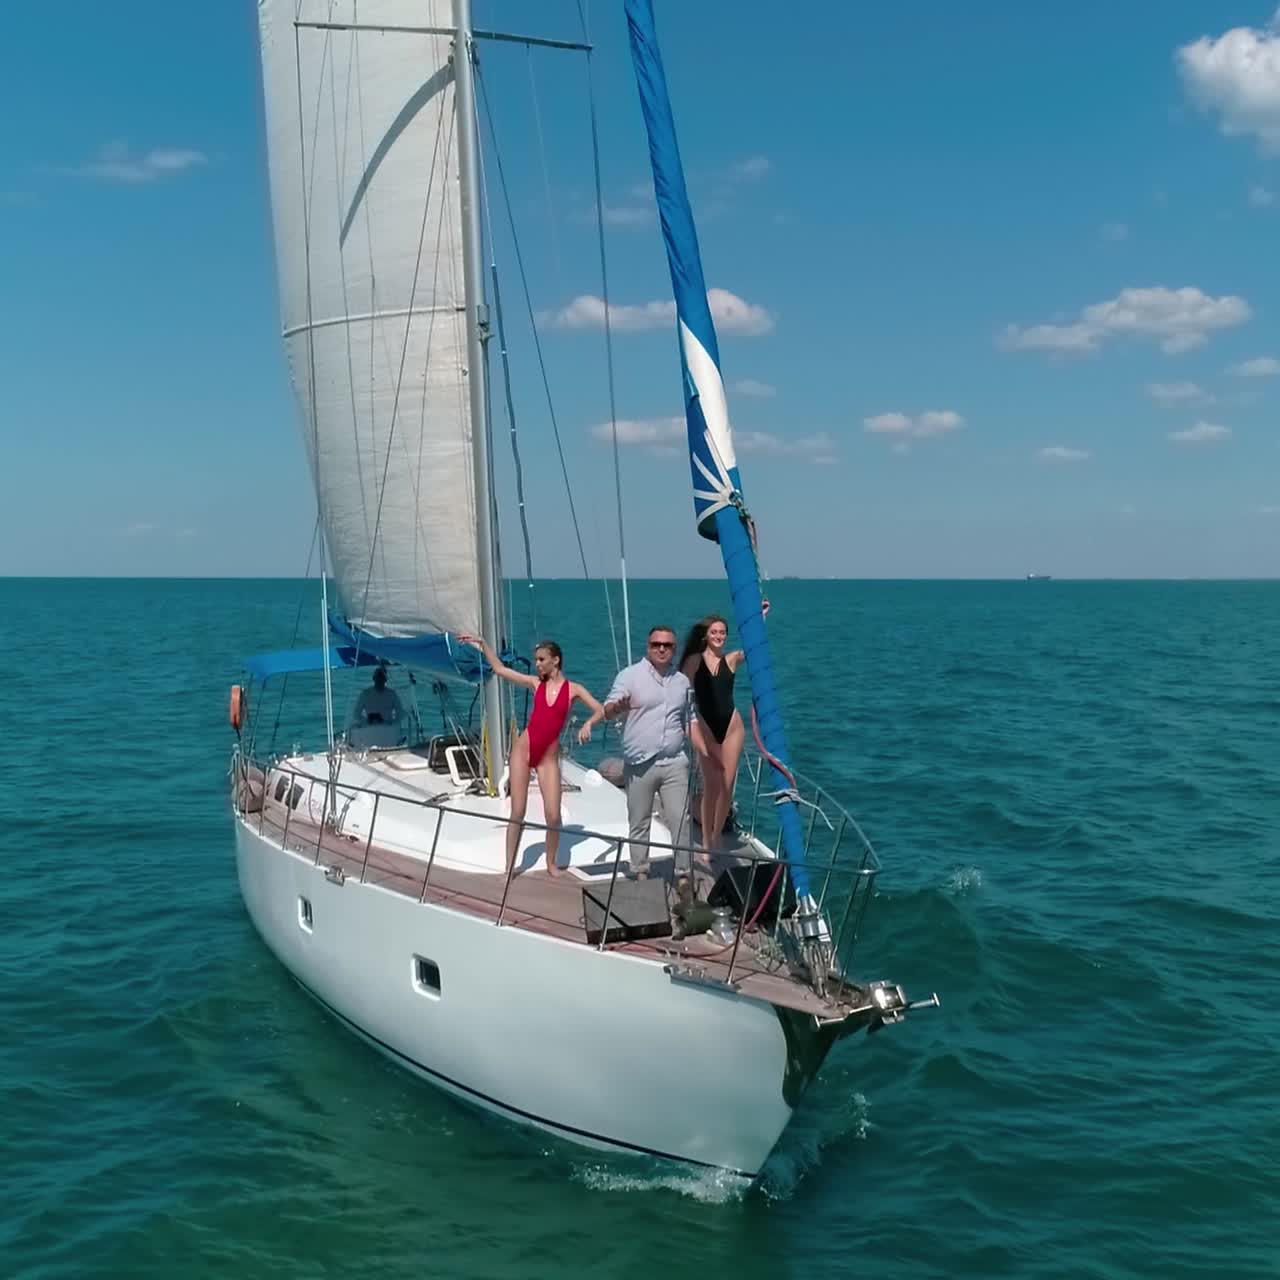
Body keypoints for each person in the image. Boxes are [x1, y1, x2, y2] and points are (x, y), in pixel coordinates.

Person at [458, 635, 604, 877]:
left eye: (541, 660)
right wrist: (483, 643)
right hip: (523, 751)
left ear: (555, 661)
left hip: (548, 758)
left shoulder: (574, 690)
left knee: (553, 816)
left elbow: (599, 709)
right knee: (518, 812)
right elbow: (500, 670)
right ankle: (509, 867)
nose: (537, 664)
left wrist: (588, 724)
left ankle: (551, 863)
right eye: (536, 660)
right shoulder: (536, 684)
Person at [602, 625, 693, 883]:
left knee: (680, 819)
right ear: (648, 647)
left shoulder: (682, 682)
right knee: (639, 821)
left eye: (667, 645)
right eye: (656, 644)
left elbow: (689, 718)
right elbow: (608, 709)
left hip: (674, 762)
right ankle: (640, 871)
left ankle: (684, 875)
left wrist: (706, 751)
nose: (661, 649)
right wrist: (616, 708)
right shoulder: (629, 676)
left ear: (674, 649)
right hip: (640, 763)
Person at [679, 611, 760, 855]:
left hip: (732, 727)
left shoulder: (732, 659)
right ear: (706, 635)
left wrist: (758, 616)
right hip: (706, 728)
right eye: (714, 632)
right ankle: (706, 840)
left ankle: (716, 837)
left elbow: (754, 646)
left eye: (722, 632)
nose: (718, 636)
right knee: (711, 786)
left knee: (726, 786)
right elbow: (680, 692)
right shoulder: (694, 661)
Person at [348, 666, 407, 748]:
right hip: (371, 728)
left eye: (381, 678)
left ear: (385, 679)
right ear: (374, 679)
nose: (379, 680)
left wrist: (390, 722)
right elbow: (356, 714)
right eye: (378, 678)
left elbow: (400, 714)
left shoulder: (392, 694)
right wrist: (367, 720)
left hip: (387, 729)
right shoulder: (366, 694)